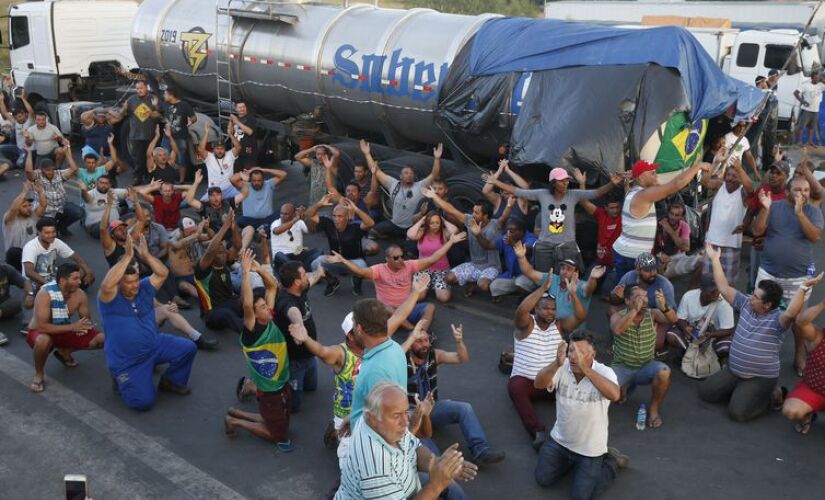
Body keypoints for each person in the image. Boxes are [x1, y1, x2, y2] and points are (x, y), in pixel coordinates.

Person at [701, 242, 821, 422]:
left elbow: (791, 312)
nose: (751, 297)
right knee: (706, 393)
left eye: (756, 297)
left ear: (767, 305)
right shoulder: (745, 303)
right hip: (734, 370)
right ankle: (742, 392)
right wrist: (715, 259)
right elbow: (724, 288)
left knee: (737, 413)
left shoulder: (777, 319)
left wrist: (803, 289)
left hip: (760, 378)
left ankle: (774, 396)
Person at [98, 235, 197, 411]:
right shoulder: (109, 299)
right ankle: (120, 379)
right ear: (119, 284)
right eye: (129, 283)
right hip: (128, 361)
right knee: (143, 403)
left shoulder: (144, 288)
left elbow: (162, 273)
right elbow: (106, 286)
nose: (135, 286)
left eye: (136, 280)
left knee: (188, 348)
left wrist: (145, 255)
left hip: (154, 346)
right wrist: (127, 256)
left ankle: (170, 381)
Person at [335, 382, 478, 500]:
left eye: (405, 412)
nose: (405, 421)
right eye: (397, 415)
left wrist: (438, 463)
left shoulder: (381, 422)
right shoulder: (375, 468)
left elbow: (413, 446)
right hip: (393, 489)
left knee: (450, 485)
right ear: (372, 419)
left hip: (404, 481)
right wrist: (437, 484)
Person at [533, 331, 626, 499]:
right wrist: (555, 363)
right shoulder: (562, 366)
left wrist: (586, 369)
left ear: (593, 354)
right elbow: (538, 383)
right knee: (542, 479)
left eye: (582, 352)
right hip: (559, 441)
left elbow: (615, 395)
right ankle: (573, 466)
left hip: (590, 450)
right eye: (571, 351)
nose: (575, 357)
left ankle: (610, 463)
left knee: (581, 497)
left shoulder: (605, 372)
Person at [403, 323, 506, 466]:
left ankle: (480, 450)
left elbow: (461, 358)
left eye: (426, 340)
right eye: (419, 341)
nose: (424, 344)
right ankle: (438, 471)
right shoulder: (401, 360)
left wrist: (459, 341)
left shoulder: (434, 355)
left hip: (432, 407)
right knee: (429, 450)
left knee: (464, 408)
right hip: (412, 414)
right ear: (410, 343)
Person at [485, 166, 622, 273]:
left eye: (567, 180)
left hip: (567, 246)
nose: (566, 183)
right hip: (545, 246)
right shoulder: (542, 194)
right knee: (544, 279)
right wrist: (496, 182)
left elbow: (596, 193)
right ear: (553, 183)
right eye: (562, 181)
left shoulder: (573, 195)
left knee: (564, 278)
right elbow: (517, 191)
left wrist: (611, 184)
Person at [222, 249, 294, 450]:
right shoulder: (252, 329)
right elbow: (247, 304)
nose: (267, 309)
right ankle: (234, 421)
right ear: (253, 314)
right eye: (262, 307)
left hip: (279, 382)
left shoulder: (267, 319)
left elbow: (272, 286)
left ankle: (237, 412)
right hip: (270, 389)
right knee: (277, 434)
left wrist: (258, 269)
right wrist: (245, 273)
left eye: (265, 305)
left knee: (279, 418)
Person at [753, 176, 824, 374]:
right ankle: (759, 355)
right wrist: (765, 209)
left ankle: (798, 355)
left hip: (798, 277)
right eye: (797, 190)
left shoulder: (813, 211)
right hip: (769, 272)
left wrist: (800, 214)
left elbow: (815, 236)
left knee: (798, 319)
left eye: (806, 191)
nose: (802, 194)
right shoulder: (774, 206)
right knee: (761, 313)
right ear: (787, 192)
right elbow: (757, 230)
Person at [327, 232, 466, 330]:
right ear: (387, 259)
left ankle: (420, 332)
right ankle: (413, 330)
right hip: (388, 314)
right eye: (396, 258)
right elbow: (361, 272)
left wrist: (451, 242)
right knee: (386, 308)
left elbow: (433, 259)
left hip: (406, 309)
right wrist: (343, 260)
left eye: (402, 256)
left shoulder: (409, 265)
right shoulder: (379, 270)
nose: (400, 260)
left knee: (430, 307)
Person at [510, 272, 586, 449]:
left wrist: (573, 294)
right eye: (545, 308)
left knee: (577, 385)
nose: (550, 312)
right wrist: (542, 288)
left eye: (553, 308)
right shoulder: (526, 324)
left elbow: (581, 317)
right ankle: (537, 431)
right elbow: (521, 311)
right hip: (528, 381)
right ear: (536, 308)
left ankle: (577, 432)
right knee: (515, 387)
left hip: (553, 381)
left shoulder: (559, 325)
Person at [612, 160, 710, 279]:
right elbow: (676, 184)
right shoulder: (643, 195)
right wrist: (697, 166)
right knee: (639, 293)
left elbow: (665, 185)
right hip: (634, 256)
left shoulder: (632, 192)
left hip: (625, 252)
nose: (656, 175)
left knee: (628, 290)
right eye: (652, 173)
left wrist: (637, 176)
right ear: (641, 178)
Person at [25, 262, 104, 393]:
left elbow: (86, 321)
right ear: (62, 281)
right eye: (75, 279)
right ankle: (39, 374)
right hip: (41, 332)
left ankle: (64, 352)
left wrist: (84, 327)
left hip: (64, 329)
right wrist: (74, 327)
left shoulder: (80, 295)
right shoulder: (45, 294)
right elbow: (43, 327)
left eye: (79, 278)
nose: (80, 282)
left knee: (101, 339)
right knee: (43, 341)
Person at [609, 285, 676, 428]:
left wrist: (664, 307)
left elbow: (673, 319)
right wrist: (634, 310)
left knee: (664, 372)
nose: (644, 300)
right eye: (638, 297)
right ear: (627, 301)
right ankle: (624, 387)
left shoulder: (652, 314)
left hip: (645, 367)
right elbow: (618, 330)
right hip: (622, 367)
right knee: (611, 395)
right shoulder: (618, 315)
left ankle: (654, 410)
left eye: (645, 296)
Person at [423, 190, 507, 298]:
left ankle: (493, 289)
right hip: (474, 265)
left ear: (485, 216)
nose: (473, 214)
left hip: (491, 267)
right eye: (473, 211)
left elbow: (486, 245)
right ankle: (472, 281)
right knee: (449, 278)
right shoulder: (470, 220)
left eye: (476, 213)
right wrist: (434, 196)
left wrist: (477, 234)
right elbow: (452, 210)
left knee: (483, 285)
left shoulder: (495, 225)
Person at [273, 258, 326, 413]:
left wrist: (319, 272)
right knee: (293, 406)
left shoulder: (300, 289)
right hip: (295, 362)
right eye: (303, 274)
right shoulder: (285, 302)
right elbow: (293, 313)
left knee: (311, 388)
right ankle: (251, 386)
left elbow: (312, 279)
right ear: (296, 282)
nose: (306, 276)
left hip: (310, 356)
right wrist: (300, 326)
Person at [363, 140, 442, 239]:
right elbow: (376, 170)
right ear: (400, 176)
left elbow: (434, 174)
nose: (409, 175)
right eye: (406, 173)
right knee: (373, 232)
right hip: (394, 224)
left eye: (411, 173)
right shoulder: (393, 184)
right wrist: (367, 154)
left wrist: (437, 158)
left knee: (409, 244)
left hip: (411, 226)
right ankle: (389, 237)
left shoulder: (421, 186)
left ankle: (403, 239)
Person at [515, 244, 603, 325]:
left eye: (569, 269)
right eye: (562, 268)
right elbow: (529, 272)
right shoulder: (553, 278)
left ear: (576, 272)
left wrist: (592, 278)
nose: (564, 272)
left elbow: (589, 289)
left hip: (574, 334)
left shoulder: (580, 285)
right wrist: (521, 257)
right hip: (551, 329)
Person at [700, 156, 754, 286]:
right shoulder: (720, 185)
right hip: (712, 242)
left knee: (728, 284)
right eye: (728, 175)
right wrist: (716, 162)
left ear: (740, 178)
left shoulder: (742, 192)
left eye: (734, 176)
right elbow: (704, 181)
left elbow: (751, 188)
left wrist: (740, 168)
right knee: (708, 282)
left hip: (731, 245)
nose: (730, 178)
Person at [307, 195, 376, 296]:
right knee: (315, 264)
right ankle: (332, 282)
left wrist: (356, 209)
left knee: (363, 268)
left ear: (347, 217)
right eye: (334, 216)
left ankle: (357, 281)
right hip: (335, 259)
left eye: (340, 216)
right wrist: (319, 205)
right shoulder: (328, 224)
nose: (336, 219)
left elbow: (370, 223)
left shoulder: (355, 227)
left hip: (353, 261)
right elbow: (309, 215)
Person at [194, 210, 245, 333]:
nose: (223, 255)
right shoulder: (203, 269)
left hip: (230, 303)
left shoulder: (225, 261)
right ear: (211, 257)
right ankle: (250, 334)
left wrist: (233, 227)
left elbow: (238, 246)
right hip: (212, 313)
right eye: (219, 253)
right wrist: (225, 226)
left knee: (256, 294)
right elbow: (211, 250)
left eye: (224, 252)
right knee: (226, 314)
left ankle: (268, 324)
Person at [664, 275, 735, 358]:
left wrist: (711, 335)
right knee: (671, 335)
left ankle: (708, 358)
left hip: (713, 336)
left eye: (718, 290)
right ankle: (692, 354)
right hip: (692, 335)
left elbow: (729, 329)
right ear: (701, 289)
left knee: (726, 346)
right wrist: (685, 328)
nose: (716, 293)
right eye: (712, 291)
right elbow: (680, 318)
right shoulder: (688, 296)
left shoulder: (724, 303)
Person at [745, 160, 789, 292]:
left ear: (786, 176)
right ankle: (750, 305)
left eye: (778, 173)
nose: (773, 175)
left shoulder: (789, 197)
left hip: (777, 248)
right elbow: (751, 211)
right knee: (754, 278)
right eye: (772, 172)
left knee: (771, 285)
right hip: (757, 245)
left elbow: (789, 228)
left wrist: (770, 242)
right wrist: (744, 226)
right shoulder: (763, 189)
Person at [784, 297, 825, 434]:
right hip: (813, 389)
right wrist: (822, 303)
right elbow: (801, 322)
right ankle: (808, 413)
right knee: (791, 411)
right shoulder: (818, 337)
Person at [22, 217, 94, 293]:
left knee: (83, 270)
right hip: (35, 279)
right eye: (47, 233)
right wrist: (49, 285)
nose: (51, 235)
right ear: (39, 232)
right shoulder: (30, 247)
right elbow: (29, 272)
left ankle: (66, 290)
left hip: (52, 274)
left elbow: (76, 258)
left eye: (53, 232)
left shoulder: (56, 242)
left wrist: (88, 272)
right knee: (30, 300)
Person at [24, 143, 83, 237]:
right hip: (46, 211)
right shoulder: (37, 176)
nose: (50, 172)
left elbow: (74, 169)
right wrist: (29, 153)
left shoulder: (58, 174)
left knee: (78, 212)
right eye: (47, 170)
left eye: (52, 169)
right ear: (42, 169)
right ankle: (53, 229)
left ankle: (61, 227)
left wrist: (66, 153)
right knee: (50, 233)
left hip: (60, 206)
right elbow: (28, 171)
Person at [111, 80, 161, 184]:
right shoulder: (131, 99)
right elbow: (121, 115)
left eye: (141, 88)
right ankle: (137, 178)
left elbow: (160, 114)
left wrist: (154, 107)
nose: (139, 90)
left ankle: (149, 177)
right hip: (135, 135)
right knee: (138, 158)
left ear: (146, 87)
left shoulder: (153, 98)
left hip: (150, 134)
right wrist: (123, 109)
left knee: (150, 157)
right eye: (137, 88)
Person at [406, 210, 457, 303]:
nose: (435, 225)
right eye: (431, 223)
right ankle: (423, 284)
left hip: (441, 270)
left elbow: (455, 230)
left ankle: (432, 285)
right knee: (418, 297)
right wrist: (422, 220)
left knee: (444, 298)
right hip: (423, 270)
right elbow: (410, 234)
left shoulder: (444, 233)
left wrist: (444, 220)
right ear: (427, 223)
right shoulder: (422, 232)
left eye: (437, 223)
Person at [270, 202, 326, 278]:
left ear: (293, 214)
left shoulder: (299, 222)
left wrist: (305, 217)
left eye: (286, 214)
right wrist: (295, 220)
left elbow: (311, 230)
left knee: (319, 251)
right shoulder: (275, 223)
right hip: (284, 258)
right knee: (279, 255)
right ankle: (302, 271)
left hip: (298, 255)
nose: (282, 216)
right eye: (281, 213)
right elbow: (277, 231)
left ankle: (298, 271)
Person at [186, 169, 249, 234]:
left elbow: (244, 195)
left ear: (222, 196)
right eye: (212, 195)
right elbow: (189, 200)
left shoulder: (228, 202)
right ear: (208, 197)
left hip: (229, 235)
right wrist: (196, 182)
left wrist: (245, 181)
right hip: (211, 237)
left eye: (218, 195)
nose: (215, 198)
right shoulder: (204, 206)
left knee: (248, 230)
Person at [609, 252, 676, 314]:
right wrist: (617, 296)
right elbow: (614, 300)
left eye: (654, 269)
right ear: (638, 270)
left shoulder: (665, 285)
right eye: (647, 270)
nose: (652, 273)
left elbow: (669, 315)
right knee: (612, 310)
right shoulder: (629, 276)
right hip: (635, 309)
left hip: (656, 314)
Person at [489, 217, 538, 302]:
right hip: (512, 276)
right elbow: (487, 246)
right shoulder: (507, 238)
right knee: (494, 286)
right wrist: (477, 234)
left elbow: (526, 250)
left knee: (520, 283)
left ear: (522, 231)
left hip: (528, 276)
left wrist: (513, 244)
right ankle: (518, 291)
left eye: (512, 231)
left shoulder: (531, 238)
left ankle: (527, 298)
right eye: (507, 230)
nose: (508, 233)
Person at [654, 202, 703, 282]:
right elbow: (654, 246)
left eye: (676, 215)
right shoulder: (660, 224)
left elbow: (686, 247)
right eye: (671, 214)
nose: (673, 217)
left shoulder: (684, 226)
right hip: (662, 259)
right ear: (668, 213)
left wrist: (669, 230)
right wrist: (660, 254)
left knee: (701, 260)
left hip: (678, 257)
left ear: (682, 217)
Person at [3, 180, 46, 271]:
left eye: (29, 205)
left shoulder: (32, 216)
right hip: (15, 256)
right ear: (18, 208)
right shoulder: (9, 219)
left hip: (31, 254)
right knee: (14, 252)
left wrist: (40, 192)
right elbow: (13, 209)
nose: (29, 208)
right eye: (24, 206)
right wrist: (24, 191)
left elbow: (43, 205)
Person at [195, 120, 242, 199]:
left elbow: (239, 147)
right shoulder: (209, 157)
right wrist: (206, 133)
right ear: (213, 149)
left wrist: (230, 134)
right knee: (201, 205)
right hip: (213, 191)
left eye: (222, 148)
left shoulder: (230, 155)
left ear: (225, 149)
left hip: (229, 189)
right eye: (217, 148)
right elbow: (200, 149)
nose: (219, 151)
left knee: (243, 199)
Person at [483, 159, 533, 230]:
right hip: (501, 237)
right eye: (505, 192)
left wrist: (507, 170)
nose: (508, 194)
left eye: (510, 191)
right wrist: (499, 170)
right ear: (501, 192)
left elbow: (525, 187)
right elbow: (486, 191)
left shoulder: (520, 201)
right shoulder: (498, 201)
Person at [233, 166, 287, 231]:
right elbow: (232, 179)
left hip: (266, 219)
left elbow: (284, 174)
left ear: (263, 179)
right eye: (254, 180)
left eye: (259, 180)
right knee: (240, 220)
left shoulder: (269, 184)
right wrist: (248, 172)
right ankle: (262, 230)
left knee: (280, 214)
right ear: (250, 179)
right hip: (249, 220)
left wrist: (265, 170)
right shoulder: (245, 186)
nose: (256, 183)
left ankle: (261, 230)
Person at [77, 175, 128, 239]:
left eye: (106, 183)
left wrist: (134, 194)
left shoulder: (112, 191)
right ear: (96, 183)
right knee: (106, 226)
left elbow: (128, 192)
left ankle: (119, 231)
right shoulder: (91, 193)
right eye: (101, 183)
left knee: (130, 212)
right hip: (97, 225)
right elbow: (86, 198)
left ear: (110, 185)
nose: (103, 185)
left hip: (113, 221)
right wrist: (83, 190)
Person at [161, 86, 195, 182]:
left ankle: (181, 181)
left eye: (165, 94)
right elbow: (158, 112)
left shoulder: (184, 105)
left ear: (171, 95)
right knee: (163, 157)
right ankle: (167, 179)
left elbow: (194, 117)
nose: (163, 95)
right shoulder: (164, 104)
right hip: (167, 137)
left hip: (180, 137)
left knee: (181, 159)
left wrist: (191, 121)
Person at [0, 261, 34, 346]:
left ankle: (28, 324)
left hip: (4, 306)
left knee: (28, 293)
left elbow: (26, 282)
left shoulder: (5, 269)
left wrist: (30, 294)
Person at [0, 89, 33, 168]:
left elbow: (31, 112)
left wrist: (23, 99)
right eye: (16, 118)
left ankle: (13, 164)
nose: (19, 119)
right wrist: (1, 101)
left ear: (25, 114)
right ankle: (7, 163)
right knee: (0, 148)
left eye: (20, 116)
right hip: (17, 148)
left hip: (26, 150)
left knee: (20, 164)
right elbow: (4, 113)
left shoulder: (30, 122)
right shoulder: (16, 122)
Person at [794, 71, 825, 146]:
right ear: (811, 78)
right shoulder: (805, 85)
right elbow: (795, 93)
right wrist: (802, 101)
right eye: (815, 78)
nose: (817, 79)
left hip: (815, 110)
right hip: (806, 110)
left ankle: (810, 141)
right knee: (801, 126)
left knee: (811, 127)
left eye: (818, 78)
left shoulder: (821, 85)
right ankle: (799, 142)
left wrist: (822, 79)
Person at [230, 100, 258, 171]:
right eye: (240, 107)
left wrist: (236, 122)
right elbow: (231, 132)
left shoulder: (250, 118)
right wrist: (231, 123)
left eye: (243, 107)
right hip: (238, 151)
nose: (242, 109)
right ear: (236, 109)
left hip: (248, 151)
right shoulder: (236, 118)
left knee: (248, 173)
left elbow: (250, 132)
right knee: (237, 172)